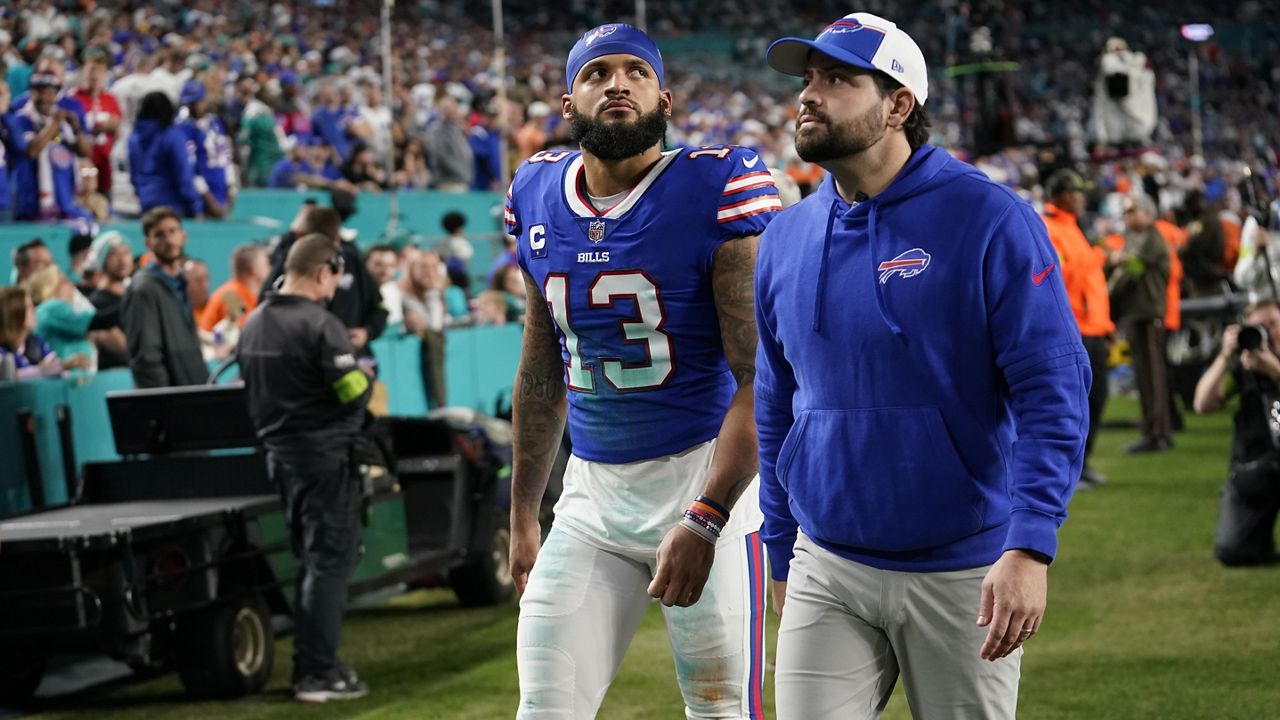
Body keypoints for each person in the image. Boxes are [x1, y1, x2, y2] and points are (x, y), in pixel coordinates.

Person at [755, 14, 1089, 719]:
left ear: (899, 105)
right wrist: (781, 549)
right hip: (827, 562)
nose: (809, 95)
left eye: (837, 79)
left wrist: (1030, 545)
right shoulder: (785, 236)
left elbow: (1051, 386)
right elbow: (775, 401)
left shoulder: (989, 218)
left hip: (963, 567)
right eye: (808, 79)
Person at [507, 23, 780, 719]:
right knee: (544, 707)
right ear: (569, 104)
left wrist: (710, 513)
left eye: (635, 70)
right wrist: (522, 514)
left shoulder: (713, 186)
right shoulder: (537, 192)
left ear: (664, 94)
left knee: (721, 709)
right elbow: (542, 368)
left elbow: (762, 378)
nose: (618, 82)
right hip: (591, 498)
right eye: (598, 73)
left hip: (702, 476)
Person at [237, 233, 372, 703]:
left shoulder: (252, 322)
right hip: (325, 460)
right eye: (335, 277)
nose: (336, 288)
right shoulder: (320, 324)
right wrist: (367, 376)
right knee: (328, 564)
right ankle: (317, 672)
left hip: (281, 460)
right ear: (322, 272)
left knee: (311, 564)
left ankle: (314, 665)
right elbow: (352, 390)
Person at [1193, 299, 1280, 566]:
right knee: (1232, 551)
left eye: (1273, 324)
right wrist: (1224, 355)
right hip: (1256, 468)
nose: (1268, 332)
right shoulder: (1244, 366)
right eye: (1259, 327)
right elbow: (1202, 404)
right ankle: (1259, 538)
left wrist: (1274, 371)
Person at [1041, 168, 1114, 487]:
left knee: (1097, 399)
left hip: (1094, 327)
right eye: (1076, 192)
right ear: (1062, 196)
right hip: (1072, 328)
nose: (1082, 198)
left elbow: (1092, 286)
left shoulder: (1075, 228)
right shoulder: (1047, 227)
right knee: (1073, 403)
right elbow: (1059, 277)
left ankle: (1081, 465)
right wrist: (1100, 255)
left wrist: (1105, 323)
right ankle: (1065, 471)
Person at [1109, 193, 1172, 454]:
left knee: (1150, 376)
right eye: (1125, 212)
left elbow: (1130, 272)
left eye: (1132, 211)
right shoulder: (1137, 237)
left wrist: (1105, 290)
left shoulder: (1149, 237)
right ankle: (1159, 431)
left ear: (1147, 212)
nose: (1127, 216)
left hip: (1146, 313)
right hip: (1139, 312)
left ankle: (1154, 433)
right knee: (1149, 375)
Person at [121, 206, 209, 387]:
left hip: (193, 393)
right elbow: (146, 358)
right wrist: (164, 402)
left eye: (173, 231)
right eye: (159, 235)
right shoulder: (142, 289)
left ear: (183, 235)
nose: (168, 240)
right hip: (170, 403)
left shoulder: (182, 282)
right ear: (148, 244)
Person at [129, 91, 203, 217]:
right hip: (174, 207)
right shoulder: (172, 135)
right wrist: (195, 206)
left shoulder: (134, 138)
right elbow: (183, 173)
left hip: (146, 205)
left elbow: (134, 175)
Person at [200, 244, 269, 333]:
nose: (270, 268)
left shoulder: (239, 292)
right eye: (266, 264)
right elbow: (246, 332)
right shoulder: (232, 295)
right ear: (254, 269)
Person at [0, 286, 63, 380]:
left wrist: (66, 365)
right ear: (14, 313)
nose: (34, 310)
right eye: (29, 307)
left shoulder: (35, 342)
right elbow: (8, 377)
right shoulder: (2, 349)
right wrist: (40, 370)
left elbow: (55, 367)